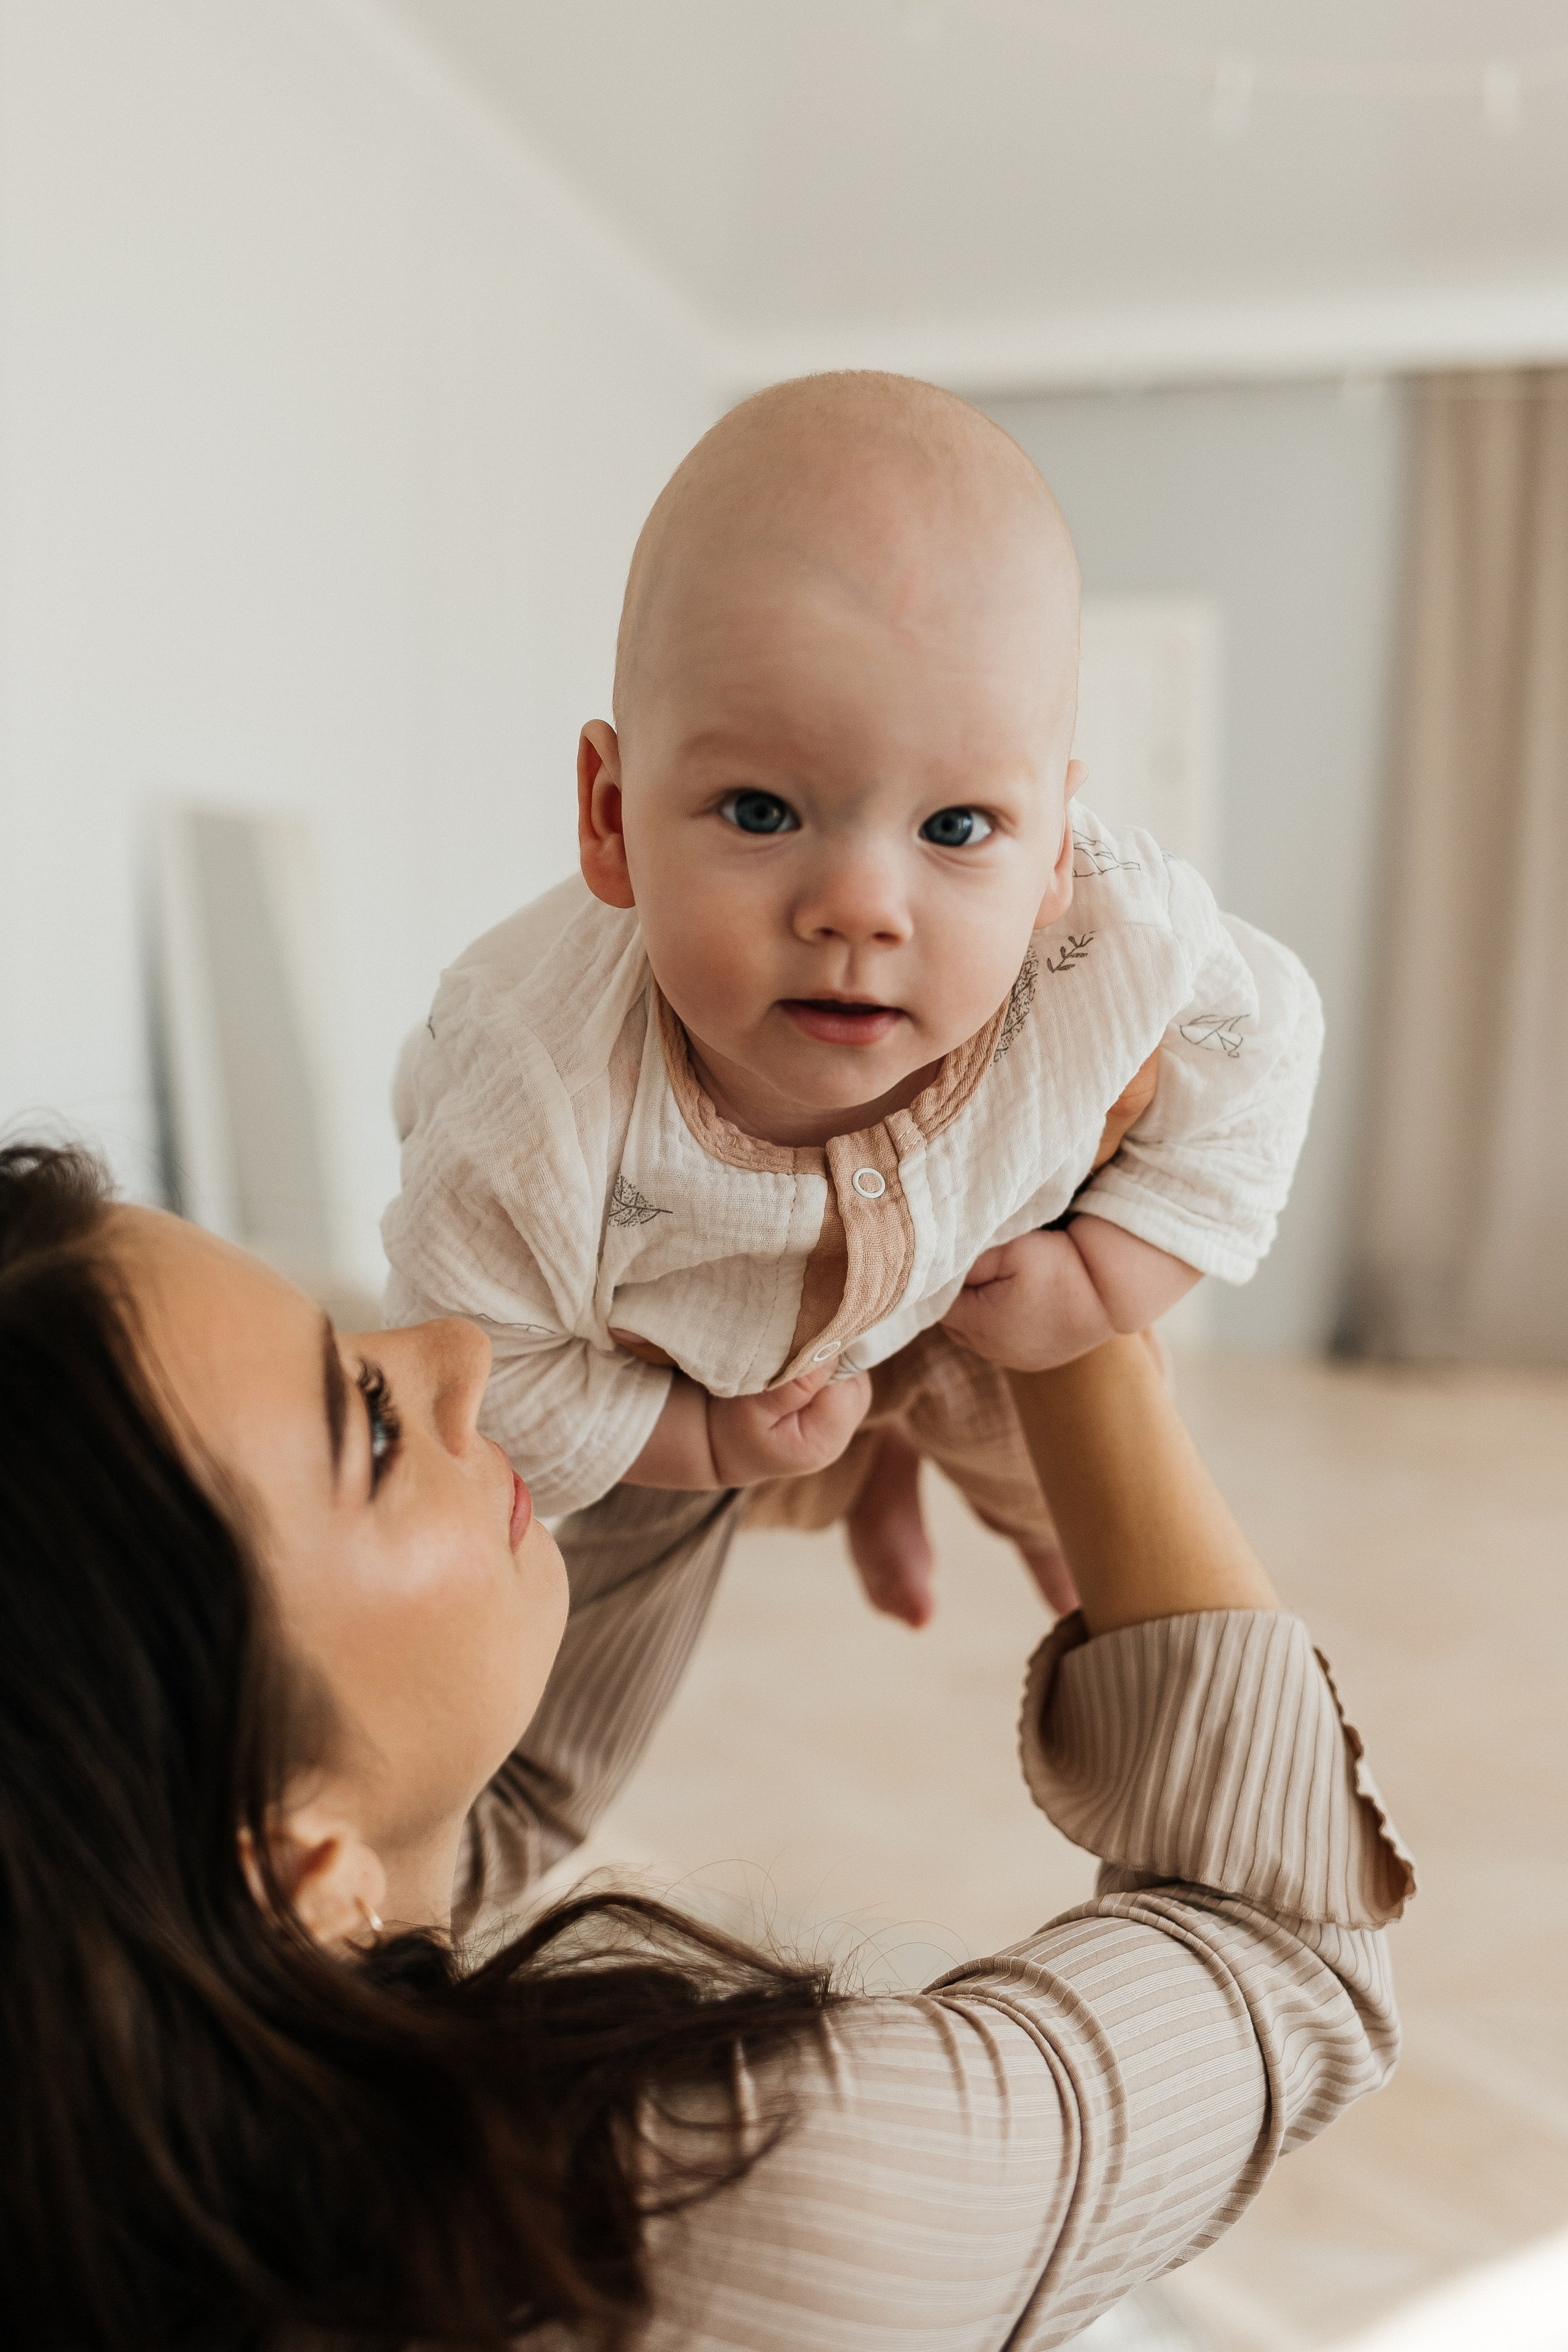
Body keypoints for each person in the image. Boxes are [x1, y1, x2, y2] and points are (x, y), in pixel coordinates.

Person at [0, 1139, 1412, 2351]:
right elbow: (1284, 1937)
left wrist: (722, 1406)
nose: (458, 1355)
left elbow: (478, 1816)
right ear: (286, 1870)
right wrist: (1063, 1306)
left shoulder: (107, 2129)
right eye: (367, 1428)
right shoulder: (728, 2207)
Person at [383, 371, 1322, 1632]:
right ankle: (862, 1475)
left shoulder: (1121, 936)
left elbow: (1266, 1040)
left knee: (1065, 1487)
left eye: (956, 826)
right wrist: (708, 1442)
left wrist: (1113, 1274)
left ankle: (991, 1518)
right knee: (672, 1506)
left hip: (980, 1259)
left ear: (1053, 847)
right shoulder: (530, 1096)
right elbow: (485, 1371)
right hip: (707, 1330)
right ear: (610, 818)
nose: (861, 910)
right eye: (761, 811)